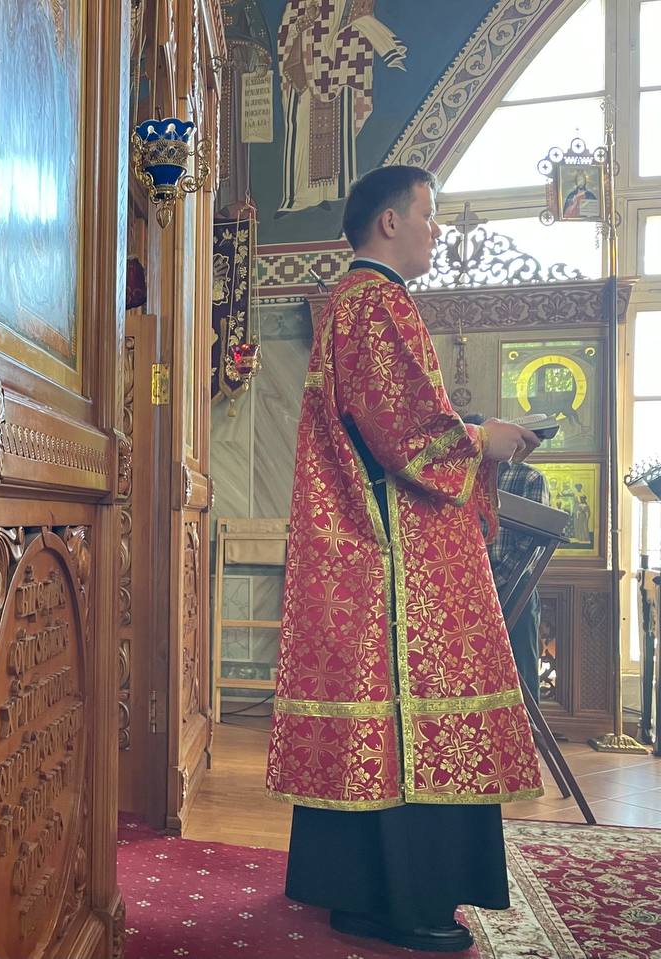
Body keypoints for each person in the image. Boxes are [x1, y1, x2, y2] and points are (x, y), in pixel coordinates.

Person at [266, 165, 544, 953]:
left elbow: (395, 420)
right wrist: (483, 438)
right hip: (395, 561)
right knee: (409, 715)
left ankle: (364, 892)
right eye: (429, 214)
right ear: (389, 221)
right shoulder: (376, 301)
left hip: (379, 548)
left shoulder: (357, 301)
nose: (437, 229)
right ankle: (401, 901)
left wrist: (474, 430)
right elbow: (407, 432)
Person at [463, 413, 550, 699]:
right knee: (472, 671)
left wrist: (493, 582)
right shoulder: (460, 479)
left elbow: (531, 546)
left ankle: (528, 725)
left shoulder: (529, 478)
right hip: (469, 590)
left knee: (521, 668)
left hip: (514, 587)